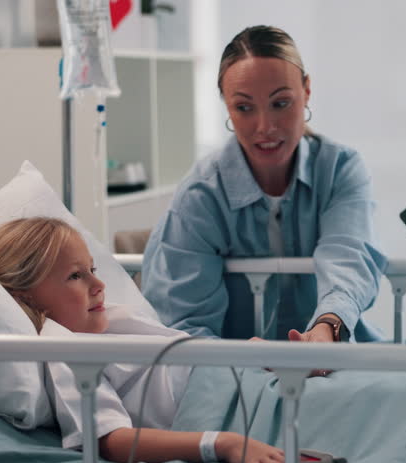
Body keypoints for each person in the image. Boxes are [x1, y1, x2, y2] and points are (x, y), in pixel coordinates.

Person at [0, 217, 318, 463]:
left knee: (357, 386)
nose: (99, 284)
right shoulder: (66, 350)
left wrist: (244, 354)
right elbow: (109, 439)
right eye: (75, 276)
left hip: (248, 382)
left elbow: (181, 359)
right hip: (229, 409)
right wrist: (221, 443)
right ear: (26, 296)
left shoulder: (111, 325)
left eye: (92, 270)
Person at [141, 25, 386, 344]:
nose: (265, 127)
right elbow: (185, 326)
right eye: (243, 108)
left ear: (307, 90)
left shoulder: (340, 170)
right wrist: (245, 362)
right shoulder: (201, 196)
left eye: (280, 103)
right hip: (234, 373)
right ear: (227, 106)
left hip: (333, 358)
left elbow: (348, 257)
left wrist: (327, 329)